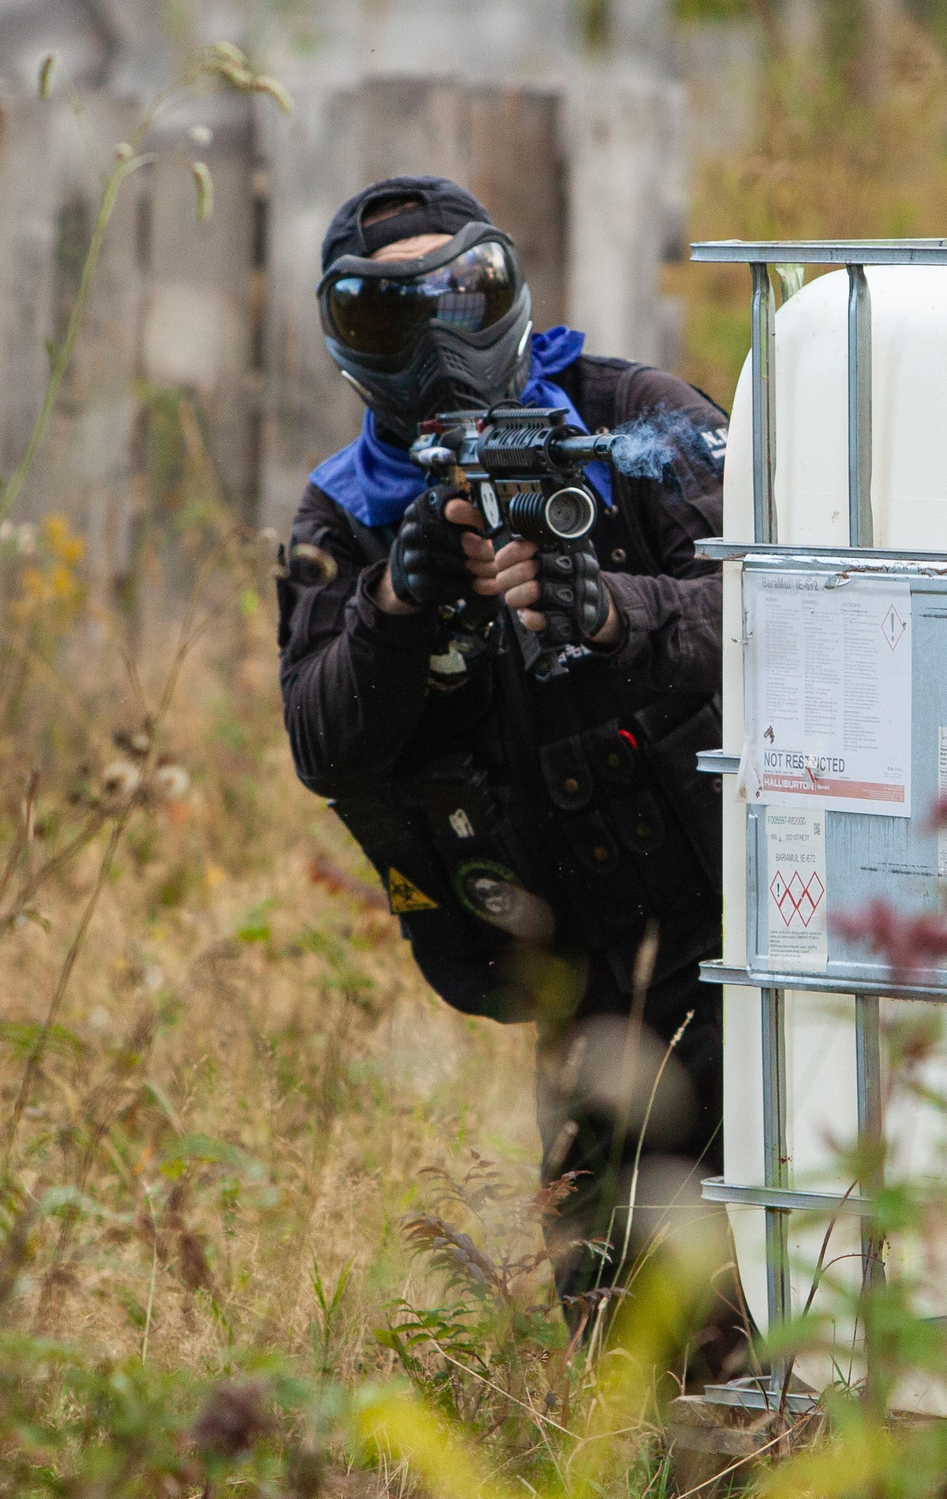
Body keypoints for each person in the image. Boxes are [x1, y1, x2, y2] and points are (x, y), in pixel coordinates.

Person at [274, 175, 738, 1354]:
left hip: (752, 928)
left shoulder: (638, 421)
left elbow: (793, 612)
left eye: (461, 294)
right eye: (387, 318)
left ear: (509, 292)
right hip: (584, 982)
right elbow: (322, 746)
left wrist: (618, 611)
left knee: (817, 1266)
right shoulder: (348, 519)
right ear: (346, 344)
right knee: (630, 1339)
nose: (435, 340)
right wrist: (395, 602)